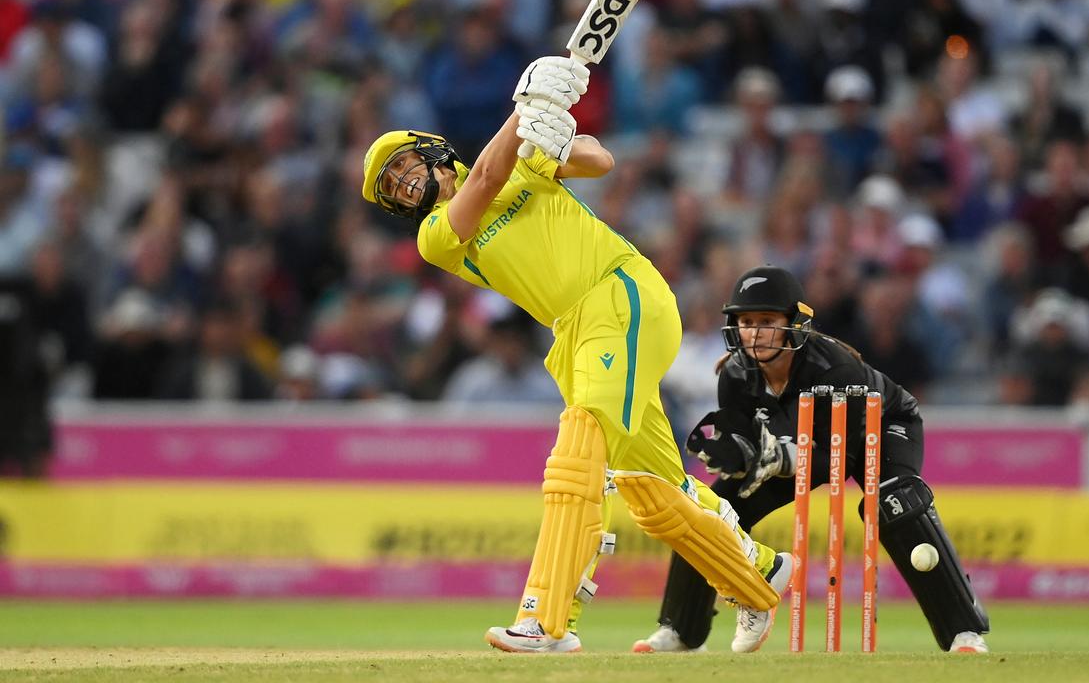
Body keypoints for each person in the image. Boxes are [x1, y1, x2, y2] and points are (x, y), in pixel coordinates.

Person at [359, 55, 791, 654]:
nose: (403, 182)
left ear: (431, 150)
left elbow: (600, 161)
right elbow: (483, 180)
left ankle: (547, 620)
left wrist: (556, 135)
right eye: (391, 185)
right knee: (650, 490)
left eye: (403, 165)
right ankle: (759, 576)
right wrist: (525, 110)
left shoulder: (522, 165)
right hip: (575, 331)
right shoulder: (436, 235)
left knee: (580, 442)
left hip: (620, 293)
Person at [634, 265, 990, 654]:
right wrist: (737, 454)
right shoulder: (735, 375)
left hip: (881, 426)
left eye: (767, 321)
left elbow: (837, 464)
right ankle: (682, 630)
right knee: (708, 509)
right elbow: (741, 441)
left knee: (895, 504)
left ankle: (963, 633)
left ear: (794, 323)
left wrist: (780, 455)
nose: (754, 332)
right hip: (800, 450)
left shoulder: (835, 369)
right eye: (746, 321)